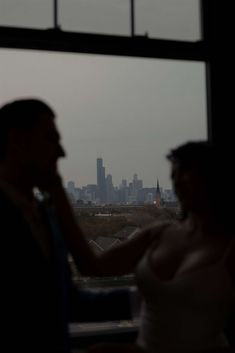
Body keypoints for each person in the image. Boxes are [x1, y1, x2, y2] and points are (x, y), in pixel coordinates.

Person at [0, 98, 137, 353]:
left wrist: (144, 299)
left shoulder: (47, 216)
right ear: (18, 140)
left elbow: (65, 302)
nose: (62, 152)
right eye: (51, 139)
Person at [80, 141, 235, 353]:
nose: (178, 184)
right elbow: (92, 267)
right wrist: (56, 193)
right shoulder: (159, 233)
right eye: (174, 177)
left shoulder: (229, 247)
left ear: (213, 180)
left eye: (186, 176)